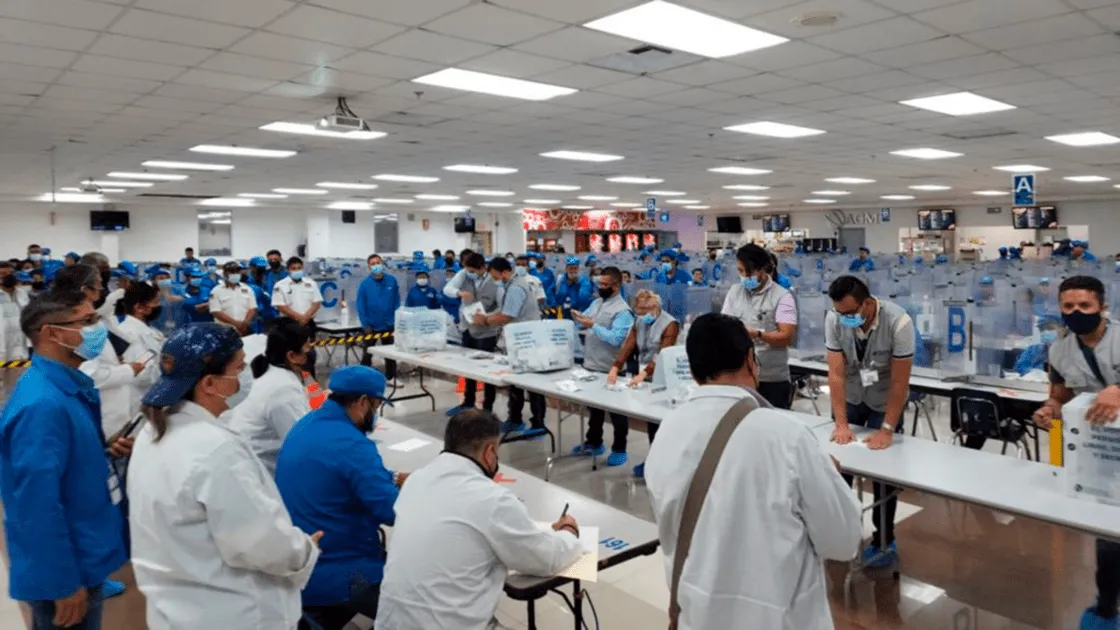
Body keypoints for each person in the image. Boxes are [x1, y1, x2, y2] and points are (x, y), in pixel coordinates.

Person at [645, 313, 861, 630]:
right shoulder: (787, 436)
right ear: (751, 360)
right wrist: (828, 477)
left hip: (698, 617)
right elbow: (843, 540)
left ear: (692, 370)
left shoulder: (667, 431)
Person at [128, 324, 322, 630]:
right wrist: (304, 549)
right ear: (209, 383)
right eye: (239, 368)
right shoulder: (214, 451)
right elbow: (261, 543)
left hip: (178, 607)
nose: (245, 377)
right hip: (234, 613)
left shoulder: (152, 432)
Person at [375, 409, 582, 630]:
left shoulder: (416, 480)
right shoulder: (492, 499)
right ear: (490, 451)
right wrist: (568, 532)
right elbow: (545, 559)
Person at [1, 289, 131, 630]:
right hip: (66, 570)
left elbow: (59, 467)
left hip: (83, 553)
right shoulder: (43, 405)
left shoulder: (66, 388)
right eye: (86, 321)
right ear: (51, 333)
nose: (96, 329)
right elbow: (35, 504)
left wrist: (100, 453)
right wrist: (61, 582)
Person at [277, 366, 403, 630]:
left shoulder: (306, 425)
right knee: (417, 604)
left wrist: (391, 477)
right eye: (376, 406)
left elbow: (340, 472)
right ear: (362, 402)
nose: (376, 414)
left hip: (301, 563)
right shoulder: (354, 444)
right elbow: (392, 511)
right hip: (341, 571)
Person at [1027, 276, 1120, 630]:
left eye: (1084, 305)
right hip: (1098, 449)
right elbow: (1059, 393)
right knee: (1108, 530)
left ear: (1102, 307)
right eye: (1068, 306)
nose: (1076, 312)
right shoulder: (1060, 349)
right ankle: (1107, 606)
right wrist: (1049, 409)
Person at [825, 275, 915, 568]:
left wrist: (887, 429)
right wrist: (841, 423)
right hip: (852, 397)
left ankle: (884, 540)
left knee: (884, 474)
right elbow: (836, 374)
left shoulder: (899, 323)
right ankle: (839, 533)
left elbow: (900, 382)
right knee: (839, 466)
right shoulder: (834, 319)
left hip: (883, 399)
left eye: (850, 313)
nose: (845, 318)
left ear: (866, 304)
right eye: (840, 313)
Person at [607, 289, 679, 478]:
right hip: (644, 375)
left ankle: (660, 466)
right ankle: (654, 461)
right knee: (650, 420)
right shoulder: (639, 321)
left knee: (659, 423)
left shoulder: (670, 324)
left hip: (663, 376)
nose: (641, 315)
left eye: (644, 311)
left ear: (655, 307)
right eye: (638, 311)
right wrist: (615, 367)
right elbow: (629, 345)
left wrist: (644, 373)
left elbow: (663, 354)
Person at [472, 257, 547, 437]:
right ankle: (515, 419)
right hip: (519, 341)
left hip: (528, 342)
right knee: (515, 382)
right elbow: (504, 311)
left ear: (505, 272)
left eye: (495, 276)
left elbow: (507, 316)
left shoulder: (515, 288)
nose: (495, 280)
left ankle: (537, 425)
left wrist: (486, 320)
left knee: (532, 384)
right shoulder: (512, 284)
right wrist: (487, 316)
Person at [229, 319, 313, 474]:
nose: (310, 351)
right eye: (306, 347)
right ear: (292, 355)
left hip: (248, 456)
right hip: (263, 469)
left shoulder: (269, 370)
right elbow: (302, 443)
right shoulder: (283, 388)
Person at [571, 267, 636, 466]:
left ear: (616, 286)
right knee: (595, 410)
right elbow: (586, 320)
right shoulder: (597, 302)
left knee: (617, 413)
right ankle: (594, 442)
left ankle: (619, 448)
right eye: (600, 283)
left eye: (605, 284)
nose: (601, 287)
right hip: (591, 363)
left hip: (611, 368)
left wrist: (592, 325)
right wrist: (579, 318)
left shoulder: (623, 311)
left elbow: (616, 339)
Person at [721, 244, 799, 409]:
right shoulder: (734, 292)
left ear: (763, 269)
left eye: (749, 272)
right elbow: (724, 324)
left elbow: (786, 337)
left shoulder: (782, 297)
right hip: (739, 376)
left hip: (771, 379)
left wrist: (758, 334)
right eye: (740, 271)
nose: (744, 276)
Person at [81, 282, 161, 440]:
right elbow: (141, 375)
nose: (159, 306)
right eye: (155, 302)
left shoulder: (150, 331)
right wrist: (167, 368)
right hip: (133, 406)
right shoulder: (127, 333)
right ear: (139, 308)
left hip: (147, 404)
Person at [445, 253, 499, 416]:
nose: (469, 273)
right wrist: (459, 293)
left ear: (482, 268)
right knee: (468, 367)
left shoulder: (493, 279)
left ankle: (488, 409)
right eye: (467, 270)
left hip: (487, 330)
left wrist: (487, 318)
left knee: (488, 371)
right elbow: (447, 289)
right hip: (468, 327)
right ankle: (467, 403)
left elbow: (501, 306)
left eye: (472, 271)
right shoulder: (463, 275)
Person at [357, 253, 400, 380]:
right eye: (373, 264)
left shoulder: (392, 281)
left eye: (378, 263)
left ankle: (391, 378)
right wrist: (365, 324)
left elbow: (396, 301)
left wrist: (396, 320)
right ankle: (363, 378)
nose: (376, 265)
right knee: (367, 353)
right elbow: (360, 305)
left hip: (389, 324)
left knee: (390, 354)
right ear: (369, 267)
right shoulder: (365, 285)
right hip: (371, 325)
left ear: (382, 264)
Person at [0, 261, 30, 393]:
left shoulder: (22, 293)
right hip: (2, 347)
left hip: (19, 349)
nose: (8, 276)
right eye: (3, 274)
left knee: (16, 389)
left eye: (10, 273)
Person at [209, 261, 258, 336]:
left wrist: (245, 323)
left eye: (237, 272)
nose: (235, 274)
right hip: (223, 331)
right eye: (232, 272)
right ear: (225, 274)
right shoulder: (216, 291)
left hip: (244, 330)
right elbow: (215, 311)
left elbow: (253, 308)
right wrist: (236, 324)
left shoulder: (247, 289)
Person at [272, 256, 322, 326]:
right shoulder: (280, 285)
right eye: (293, 268)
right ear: (288, 270)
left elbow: (317, 302)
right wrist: (299, 317)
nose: (297, 270)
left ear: (303, 268)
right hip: (288, 322)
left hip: (308, 321)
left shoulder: (311, 283)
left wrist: (306, 317)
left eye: (299, 268)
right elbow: (280, 306)